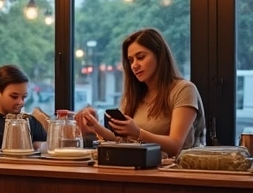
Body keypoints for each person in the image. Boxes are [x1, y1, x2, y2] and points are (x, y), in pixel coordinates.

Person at [75, 28, 205, 156]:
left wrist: (138, 133)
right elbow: (122, 141)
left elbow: (175, 146)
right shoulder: (134, 95)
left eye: (141, 57)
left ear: (159, 55)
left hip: (174, 172)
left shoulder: (183, 90)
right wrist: (96, 127)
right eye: (131, 60)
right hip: (138, 170)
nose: (134, 65)